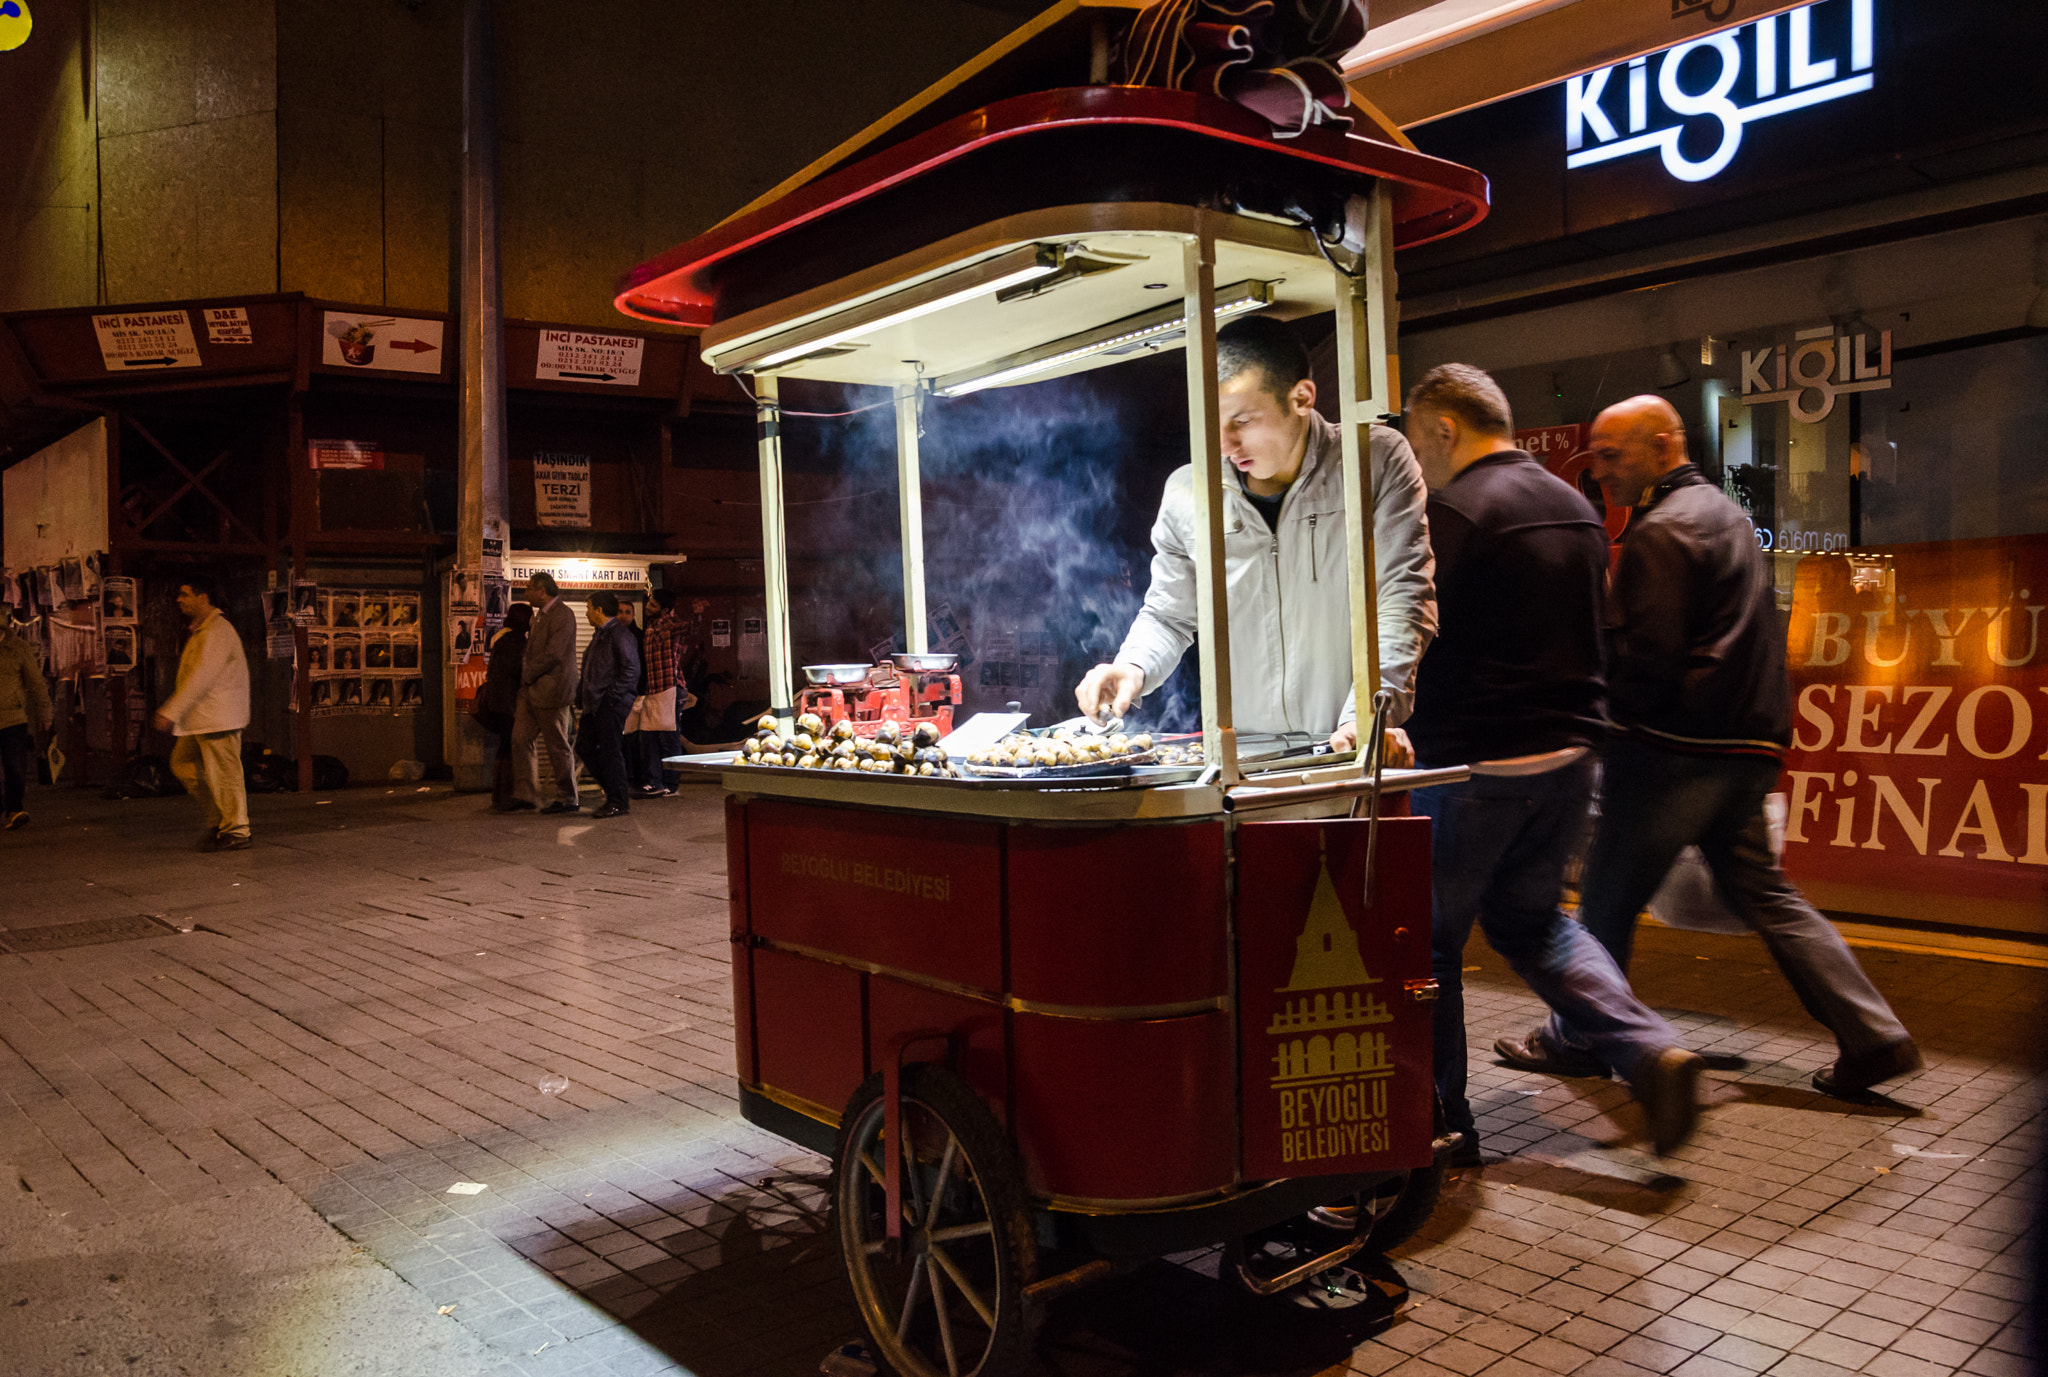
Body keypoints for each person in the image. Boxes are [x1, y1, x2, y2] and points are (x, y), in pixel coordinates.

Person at [1504, 395, 1920, 1100]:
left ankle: (1577, 1035)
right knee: (1766, 893)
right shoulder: (1726, 517)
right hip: (1746, 747)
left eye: (1613, 454)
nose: (1600, 471)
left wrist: (1595, 723)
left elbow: (1647, 657)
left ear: (1664, 446)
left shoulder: (1664, 530)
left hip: (1673, 748)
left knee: (1605, 897)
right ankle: (1872, 1033)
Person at [1402, 365, 1703, 1159]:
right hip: (1568, 759)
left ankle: (1442, 1123)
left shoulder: (1456, 511)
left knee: (1429, 945)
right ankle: (1650, 1048)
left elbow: (1417, 635)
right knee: (1535, 923)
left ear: (1443, 428)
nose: (1416, 462)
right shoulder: (1575, 508)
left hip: (1475, 766)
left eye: (1417, 441)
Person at [1077, 316, 1434, 759]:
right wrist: (1132, 666)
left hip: (1346, 750)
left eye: (1242, 421)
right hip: (1239, 764)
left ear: (1301, 397)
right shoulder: (1189, 492)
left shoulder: (1373, 461)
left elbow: (1403, 599)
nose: (1224, 444)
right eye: (1214, 422)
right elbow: (1169, 615)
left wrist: (1366, 715)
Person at [152, 575, 253, 852]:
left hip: (219, 717)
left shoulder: (219, 631)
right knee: (183, 765)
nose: (179, 600)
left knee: (225, 774)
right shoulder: (202, 631)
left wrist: (172, 709)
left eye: (185, 594)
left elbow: (202, 676)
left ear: (203, 598)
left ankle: (236, 829)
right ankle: (220, 820)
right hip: (202, 718)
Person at [509, 572, 580, 815]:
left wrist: (528, 673)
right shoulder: (540, 616)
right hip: (530, 691)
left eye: (529, 589)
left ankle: (567, 797)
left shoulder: (563, 615)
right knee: (520, 739)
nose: (526, 593)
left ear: (542, 590)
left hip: (552, 691)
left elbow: (554, 654)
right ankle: (526, 794)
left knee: (557, 746)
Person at [575, 592, 640, 819]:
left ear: (599, 610)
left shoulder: (619, 634)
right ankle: (615, 792)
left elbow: (631, 670)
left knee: (610, 751)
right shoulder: (601, 635)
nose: (586, 612)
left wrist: (611, 698)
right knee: (584, 746)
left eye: (589, 607)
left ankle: (618, 800)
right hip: (595, 704)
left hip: (609, 703)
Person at [633, 588, 690, 797]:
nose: (648, 607)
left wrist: (698, 614)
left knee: (669, 739)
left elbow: (688, 628)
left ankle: (671, 784)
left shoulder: (669, 624)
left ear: (665, 610)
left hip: (669, 687)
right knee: (649, 738)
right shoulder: (652, 625)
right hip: (653, 689)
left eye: (653, 605)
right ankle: (653, 782)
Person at [0, 607, 52, 831]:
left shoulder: (18, 648)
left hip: (13, 719)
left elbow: (35, 683)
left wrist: (45, 713)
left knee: (16, 770)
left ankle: (14, 809)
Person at [479, 602, 533, 811]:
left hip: (498, 702)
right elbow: (518, 671)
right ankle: (508, 796)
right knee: (511, 747)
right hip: (509, 703)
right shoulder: (516, 642)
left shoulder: (503, 639)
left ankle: (500, 795)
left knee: (505, 747)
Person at [615, 600, 651, 794]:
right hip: (618, 696)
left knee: (635, 740)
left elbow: (643, 668)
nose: (623, 616)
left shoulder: (640, 636)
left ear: (633, 615)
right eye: (620, 612)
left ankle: (636, 778)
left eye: (627, 612)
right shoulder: (611, 635)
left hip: (636, 695)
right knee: (621, 739)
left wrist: (641, 692)